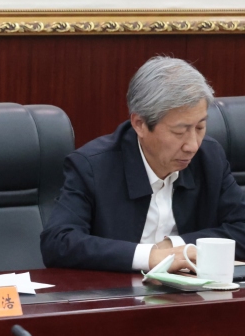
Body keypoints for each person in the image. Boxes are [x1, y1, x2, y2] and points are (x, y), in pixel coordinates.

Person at [41, 56, 245, 272]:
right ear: (139, 124)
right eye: (179, 131)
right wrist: (150, 257)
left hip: (193, 289)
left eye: (200, 128)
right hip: (118, 290)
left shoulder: (209, 158)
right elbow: (58, 242)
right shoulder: (92, 166)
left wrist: (175, 246)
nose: (193, 145)